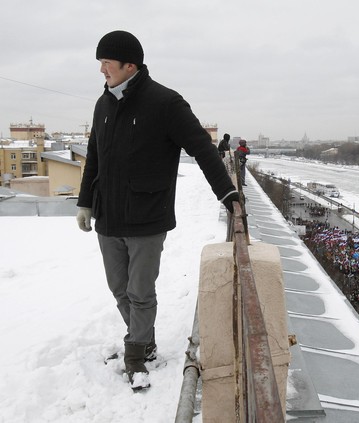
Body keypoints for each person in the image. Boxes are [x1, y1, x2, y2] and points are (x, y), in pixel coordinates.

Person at [75, 30, 240, 391]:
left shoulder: (165, 103)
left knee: (140, 291)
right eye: (100, 62)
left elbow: (202, 148)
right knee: (119, 288)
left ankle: (137, 356)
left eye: (107, 62)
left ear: (129, 65)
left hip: (147, 218)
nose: (101, 69)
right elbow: (95, 160)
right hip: (109, 217)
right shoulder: (102, 105)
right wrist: (85, 201)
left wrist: (227, 193)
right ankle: (143, 339)